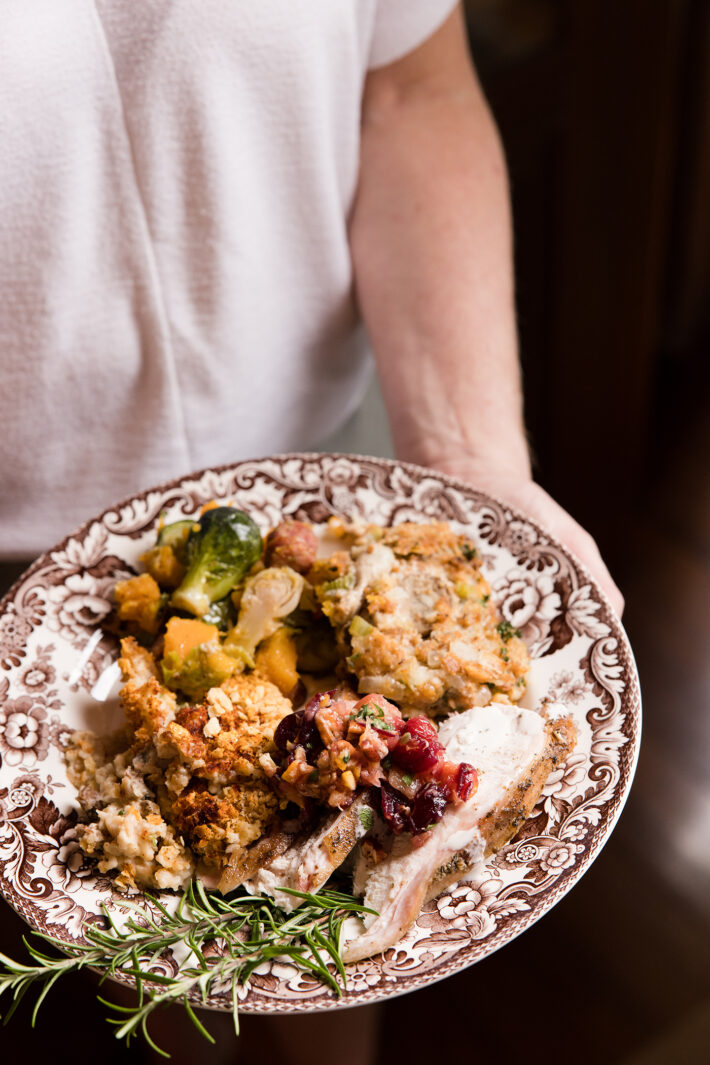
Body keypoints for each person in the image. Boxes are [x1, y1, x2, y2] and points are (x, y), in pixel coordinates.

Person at [0, 4, 622, 1062]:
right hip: (31, 584)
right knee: (159, 986)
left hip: (341, 504)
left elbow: (407, 89)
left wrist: (472, 461)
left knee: (357, 931)